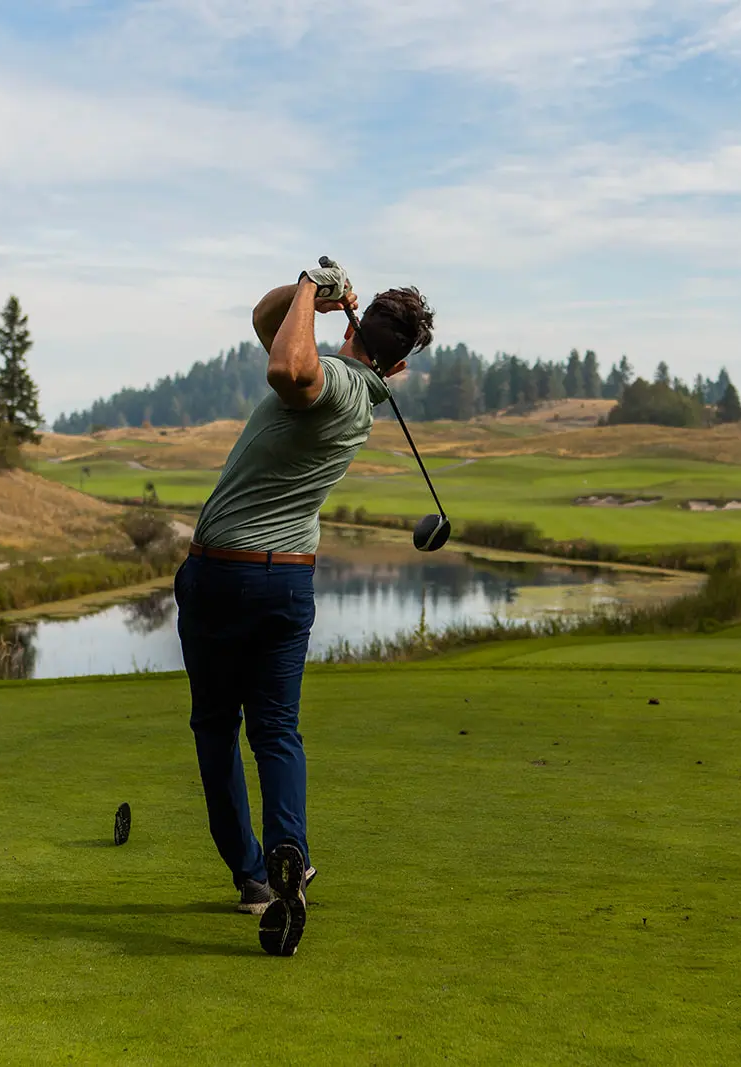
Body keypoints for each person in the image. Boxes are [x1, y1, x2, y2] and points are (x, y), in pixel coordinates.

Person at [175, 260, 434, 957]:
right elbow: (269, 328)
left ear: (360, 332)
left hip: (226, 577)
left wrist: (309, 288)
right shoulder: (363, 389)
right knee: (278, 732)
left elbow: (285, 370)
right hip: (287, 584)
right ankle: (292, 848)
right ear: (401, 362)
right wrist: (305, 298)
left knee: (214, 726)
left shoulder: (337, 381)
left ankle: (255, 877)